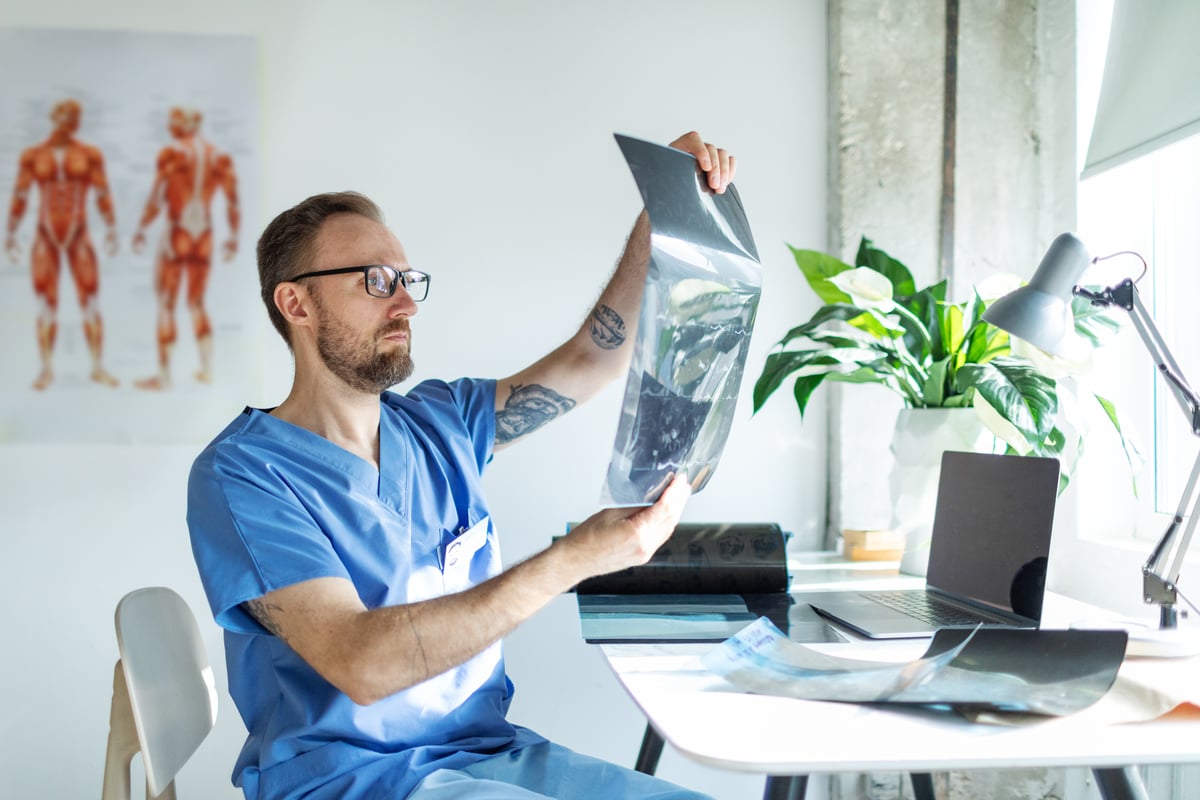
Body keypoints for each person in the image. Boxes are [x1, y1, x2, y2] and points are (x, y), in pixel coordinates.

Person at [187, 131, 736, 800]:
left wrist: (661, 210)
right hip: (351, 781)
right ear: (296, 304)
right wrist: (573, 560)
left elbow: (591, 358)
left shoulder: (439, 425)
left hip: (485, 753)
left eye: (407, 279)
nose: (406, 302)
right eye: (375, 281)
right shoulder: (245, 475)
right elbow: (361, 662)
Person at [5, 98, 119, 390]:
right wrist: (11, 233)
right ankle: (46, 369)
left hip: (78, 233)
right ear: (56, 118)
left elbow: (103, 192)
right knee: (46, 304)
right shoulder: (33, 155)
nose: (73, 123)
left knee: (90, 301)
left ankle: (96, 366)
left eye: (77, 117)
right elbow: (20, 195)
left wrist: (111, 229)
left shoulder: (89, 154)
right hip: (46, 234)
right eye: (69, 116)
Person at [132, 106, 240, 389]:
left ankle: (165, 376)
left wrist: (142, 228)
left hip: (177, 232)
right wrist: (233, 237)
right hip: (203, 235)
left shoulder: (172, 153)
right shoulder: (219, 156)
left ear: (184, 124)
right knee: (196, 303)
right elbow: (232, 201)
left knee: (167, 303)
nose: (170, 127)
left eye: (174, 122)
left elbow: (157, 197)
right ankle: (206, 369)